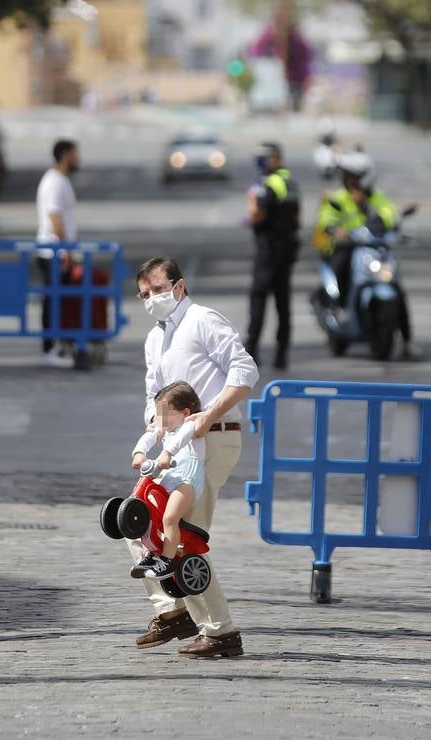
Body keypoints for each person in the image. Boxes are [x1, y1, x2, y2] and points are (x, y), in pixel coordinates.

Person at [131, 256, 258, 658]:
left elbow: (245, 372)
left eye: (158, 289)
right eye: (144, 294)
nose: (152, 299)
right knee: (135, 521)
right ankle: (173, 610)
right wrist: (155, 423)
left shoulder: (204, 320)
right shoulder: (155, 338)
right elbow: (153, 392)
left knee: (183, 535)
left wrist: (208, 414)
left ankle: (220, 631)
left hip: (214, 439)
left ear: (180, 287)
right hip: (175, 446)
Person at [314, 153, 418, 358]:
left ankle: (407, 342)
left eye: (353, 176)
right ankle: (340, 307)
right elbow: (326, 218)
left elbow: (390, 213)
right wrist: (336, 230)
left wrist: (385, 220)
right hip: (347, 247)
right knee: (340, 267)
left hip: (373, 248)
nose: (349, 180)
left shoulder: (376, 197)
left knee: (397, 288)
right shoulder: (338, 198)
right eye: (348, 176)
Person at [130, 381, 205, 580]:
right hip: (168, 478)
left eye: (165, 413)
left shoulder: (190, 425)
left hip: (186, 481)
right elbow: (150, 436)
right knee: (150, 516)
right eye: (158, 413)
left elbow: (182, 438)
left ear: (185, 413)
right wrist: (139, 452)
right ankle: (152, 552)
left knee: (169, 518)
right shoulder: (165, 427)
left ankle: (167, 559)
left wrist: (167, 453)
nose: (160, 419)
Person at [244, 142, 300, 370]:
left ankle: (252, 350)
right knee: (283, 302)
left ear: (273, 159)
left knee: (258, 299)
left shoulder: (268, 185)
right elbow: (297, 216)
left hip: (269, 250)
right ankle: (281, 354)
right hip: (288, 249)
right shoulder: (291, 182)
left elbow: (257, 215)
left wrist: (251, 211)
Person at [35, 139, 80, 368]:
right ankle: (49, 348)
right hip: (53, 251)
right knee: (52, 301)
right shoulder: (54, 182)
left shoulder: (59, 180)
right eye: (75, 153)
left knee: (59, 300)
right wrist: (65, 252)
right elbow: (54, 218)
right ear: (65, 155)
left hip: (57, 251)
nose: (78, 158)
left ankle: (58, 344)